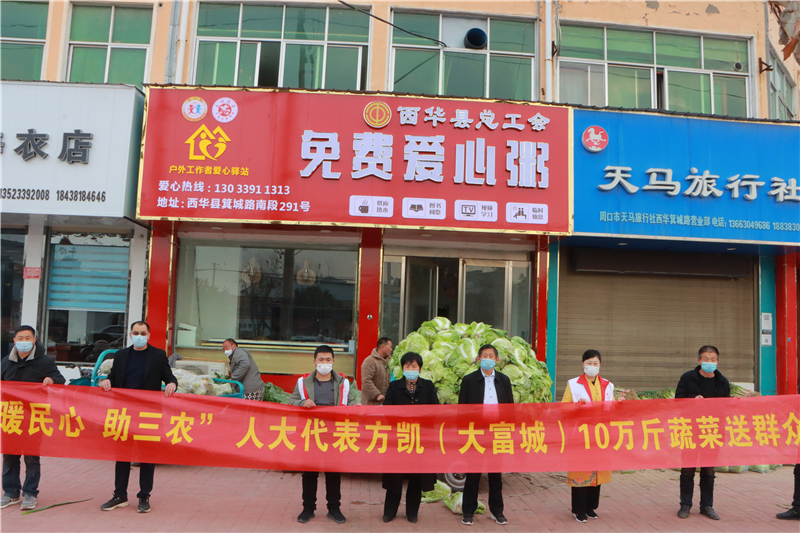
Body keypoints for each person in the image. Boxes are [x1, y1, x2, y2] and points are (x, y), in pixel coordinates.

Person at [98, 321, 178, 514]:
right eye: (136, 333)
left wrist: (172, 384)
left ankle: (144, 496)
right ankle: (120, 495)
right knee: (122, 455)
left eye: (143, 333)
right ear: (130, 335)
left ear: (148, 335)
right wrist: (106, 381)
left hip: (148, 413)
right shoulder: (121, 355)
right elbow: (113, 378)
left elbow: (169, 377)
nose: (139, 336)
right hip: (124, 412)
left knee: (146, 456)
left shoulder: (157, 355)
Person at [288, 345, 358, 525]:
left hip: (335, 433)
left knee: (333, 472)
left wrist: (356, 407)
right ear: (315, 361)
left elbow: (351, 402)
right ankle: (308, 508)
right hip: (310, 433)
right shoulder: (303, 382)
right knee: (309, 472)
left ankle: (334, 508)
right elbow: (291, 401)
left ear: (333, 361)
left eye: (328, 360)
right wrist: (303, 402)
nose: (324, 363)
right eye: (321, 359)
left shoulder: (343, 382)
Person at [1, 326, 65, 510]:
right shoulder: (6, 362)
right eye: (20, 338)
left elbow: (60, 380)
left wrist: (52, 380)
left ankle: (30, 493)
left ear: (34, 340)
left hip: (34, 417)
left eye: (27, 338)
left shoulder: (44, 361)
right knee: (10, 456)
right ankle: (11, 492)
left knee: (31, 457)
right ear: (14, 341)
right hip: (11, 416)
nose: (24, 341)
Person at [458, 344, 513, 526]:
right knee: (473, 473)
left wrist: (510, 430)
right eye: (484, 355)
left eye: (491, 356)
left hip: (498, 432)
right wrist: (463, 433)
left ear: (496, 360)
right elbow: (462, 409)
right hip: (476, 431)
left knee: (495, 474)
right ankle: (468, 511)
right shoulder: (469, 380)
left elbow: (510, 407)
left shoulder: (504, 380)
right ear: (479, 359)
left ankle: (497, 511)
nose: (488, 359)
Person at [381, 351, 439, 523]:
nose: (411, 369)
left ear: (420, 369)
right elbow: (387, 411)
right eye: (407, 366)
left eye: (414, 366)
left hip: (420, 439)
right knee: (395, 477)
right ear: (402, 368)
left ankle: (412, 512)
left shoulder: (428, 386)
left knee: (416, 477)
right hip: (399, 438)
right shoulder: (394, 386)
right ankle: (389, 512)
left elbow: (435, 410)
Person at [675, 345, 730, 521]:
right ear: (699, 360)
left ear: (718, 361)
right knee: (687, 470)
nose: (709, 362)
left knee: (708, 471)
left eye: (713, 359)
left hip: (712, 432)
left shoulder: (723, 382)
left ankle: (707, 505)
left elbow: (726, 407)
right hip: (690, 430)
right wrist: (692, 401)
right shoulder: (687, 378)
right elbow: (677, 401)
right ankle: (685, 505)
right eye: (706, 359)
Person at [562, 349, 614, 523]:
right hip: (580, 434)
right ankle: (579, 509)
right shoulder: (573, 384)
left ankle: (591, 507)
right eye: (589, 363)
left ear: (600, 365)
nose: (592, 366)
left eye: (595, 363)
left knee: (597, 470)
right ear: (582, 364)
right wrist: (576, 406)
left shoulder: (608, 385)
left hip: (600, 434)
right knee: (581, 471)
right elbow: (564, 408)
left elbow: (611, 408)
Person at [361, 337, 392, 405]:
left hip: (386, 404)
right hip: (371, 404)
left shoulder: (391, 361)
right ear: (383, 347)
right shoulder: (369, 361)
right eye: (390, 347)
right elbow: (366, 381)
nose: (391, 349)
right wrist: (377, 395)